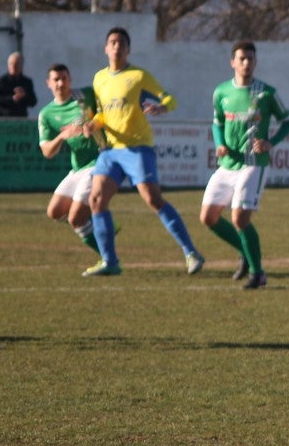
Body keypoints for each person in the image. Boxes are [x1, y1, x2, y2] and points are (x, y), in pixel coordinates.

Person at [83, 27, 204, 277]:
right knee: (96, 200)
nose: (117, 46)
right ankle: (110, 261)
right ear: (106, 48)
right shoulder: (99, 79)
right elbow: (103, 113)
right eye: (113, 42)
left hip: (137, 148)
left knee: (153, 199)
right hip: (111, 151)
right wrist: (93, 124)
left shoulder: (139, 76)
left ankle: (191, 252)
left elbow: (170, 99)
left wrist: (162, 107)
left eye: (122, 43)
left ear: (128, 49)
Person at [199, 41, 289, 290]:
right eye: (241, 58)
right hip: (227, 164)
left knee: (239, 219)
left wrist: (271, 142)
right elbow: (217, 123)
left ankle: (257, 273)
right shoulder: (221, 92)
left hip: (254, 163)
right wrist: (219, 144)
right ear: (232, 62)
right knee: (208, 217)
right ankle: (245, 250)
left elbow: (288, 121)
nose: (246, 63)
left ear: (255, 62)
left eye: (250, 59)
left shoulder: (267, 93)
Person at [37, 64, 106, 257]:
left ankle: (108, 258)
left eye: (64, 78)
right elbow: (47, 152)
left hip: (99, 160)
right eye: (56, 80)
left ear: (70, 79)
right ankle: (97, 223)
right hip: (78, 167)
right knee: (55, 212)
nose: (60, 83)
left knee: (76, 217)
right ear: (48, 83)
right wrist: (62, 136)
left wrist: (94, 124)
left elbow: (107, 111)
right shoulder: (46, 114)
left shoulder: (86, 96)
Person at [0, 51, 38, 118]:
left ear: (22, 65)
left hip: (21, 119)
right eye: (11, 64)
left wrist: (24, 96)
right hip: (3, 118)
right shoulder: (1, 81)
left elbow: (33, 102)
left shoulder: (27, 82)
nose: (13, 66)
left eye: (16, 64)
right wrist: (11, 99)